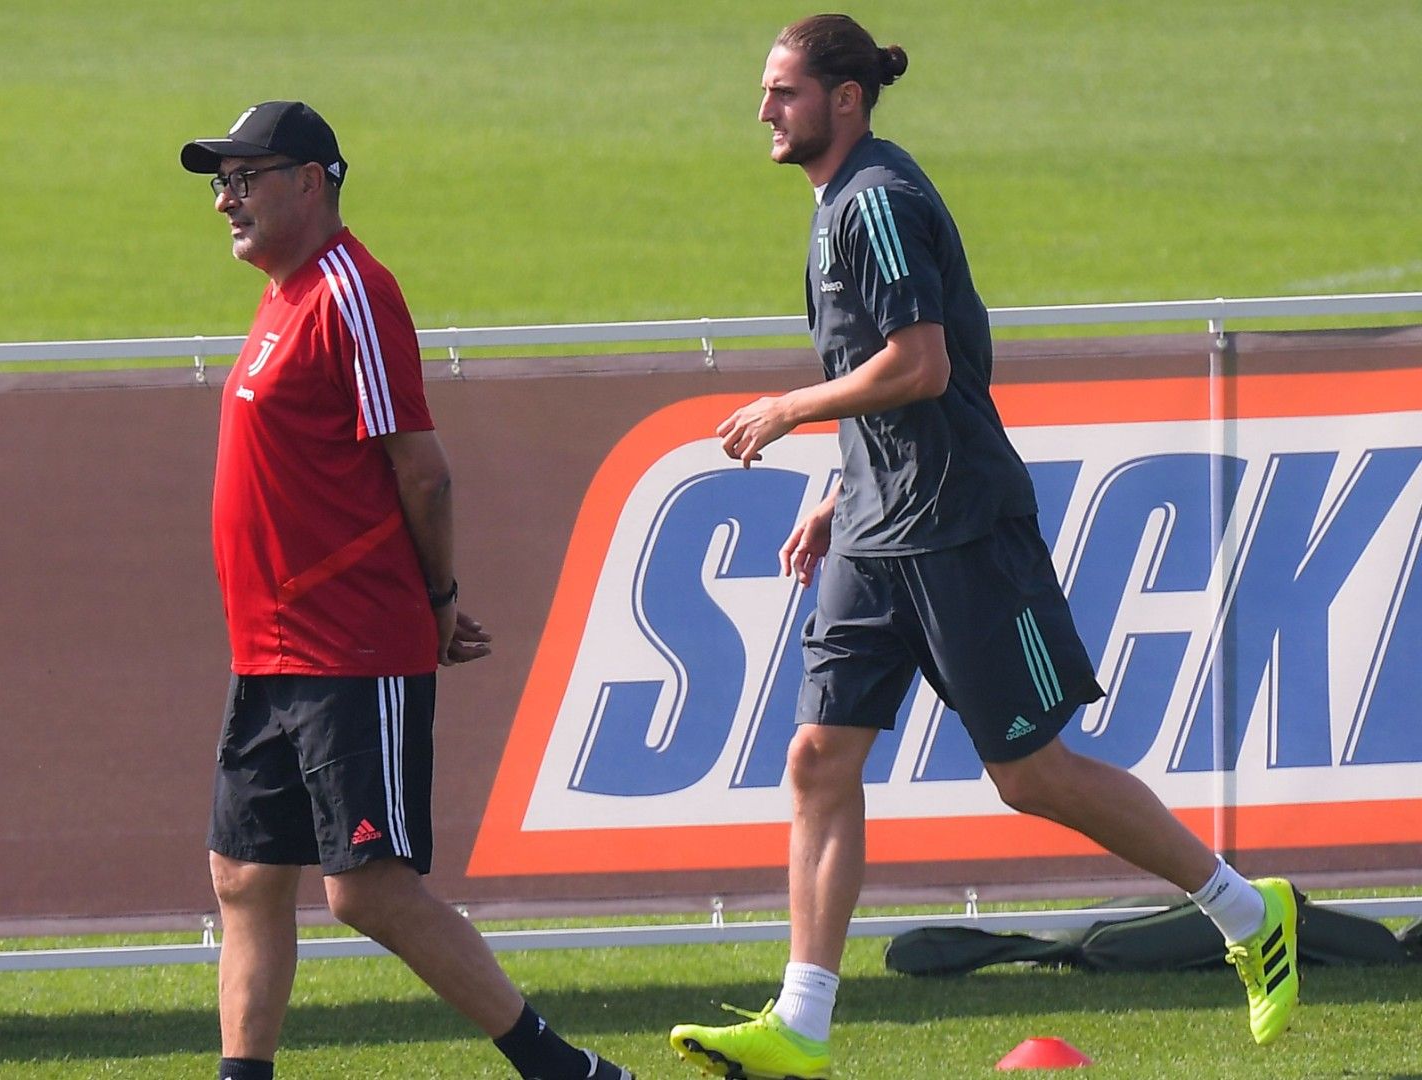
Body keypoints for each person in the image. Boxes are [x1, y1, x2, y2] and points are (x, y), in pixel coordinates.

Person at [667, 16, 1299, 1079]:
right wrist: (840, 488)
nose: (763, 111)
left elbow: (919, 366)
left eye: (783, 92)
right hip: (879, 524)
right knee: (819, 759)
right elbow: (893, 389)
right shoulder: (840, 203)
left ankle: (1248, 911)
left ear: (846, 101)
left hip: (960, 526)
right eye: (767, 92)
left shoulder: (876, 202)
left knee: (1032, 775)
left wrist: (792, 411)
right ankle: (803, 1026)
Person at [182, 100, 633, 1080]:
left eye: (245, 178)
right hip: (271, 650)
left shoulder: (352, 291)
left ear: (314, 181)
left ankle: (561, 1067)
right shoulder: (284, 293)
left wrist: (435, 601)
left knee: (367, 889)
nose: (226, 200)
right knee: (246, 875)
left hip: (346, 646)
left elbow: (420, 469)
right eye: (221, 183)